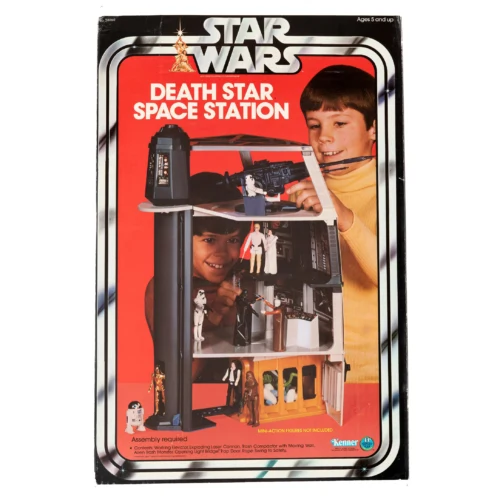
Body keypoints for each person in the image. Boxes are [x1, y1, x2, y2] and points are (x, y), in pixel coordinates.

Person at [287, 65, 378, 383]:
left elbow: (395, 280)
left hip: (369, 378)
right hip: (307, 367)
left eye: (339, 123)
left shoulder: (396, 190)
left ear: (373, 129)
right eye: (314, 125)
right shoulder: (306, 191)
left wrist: (344, 217)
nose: (324, 136)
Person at [145, 173, 250, 334]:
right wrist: (215, 313)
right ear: (182, 238)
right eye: (210, 240)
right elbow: (178, 347)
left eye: (233, 240)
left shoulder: (248, 275)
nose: (222, 254)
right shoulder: (167, 285)